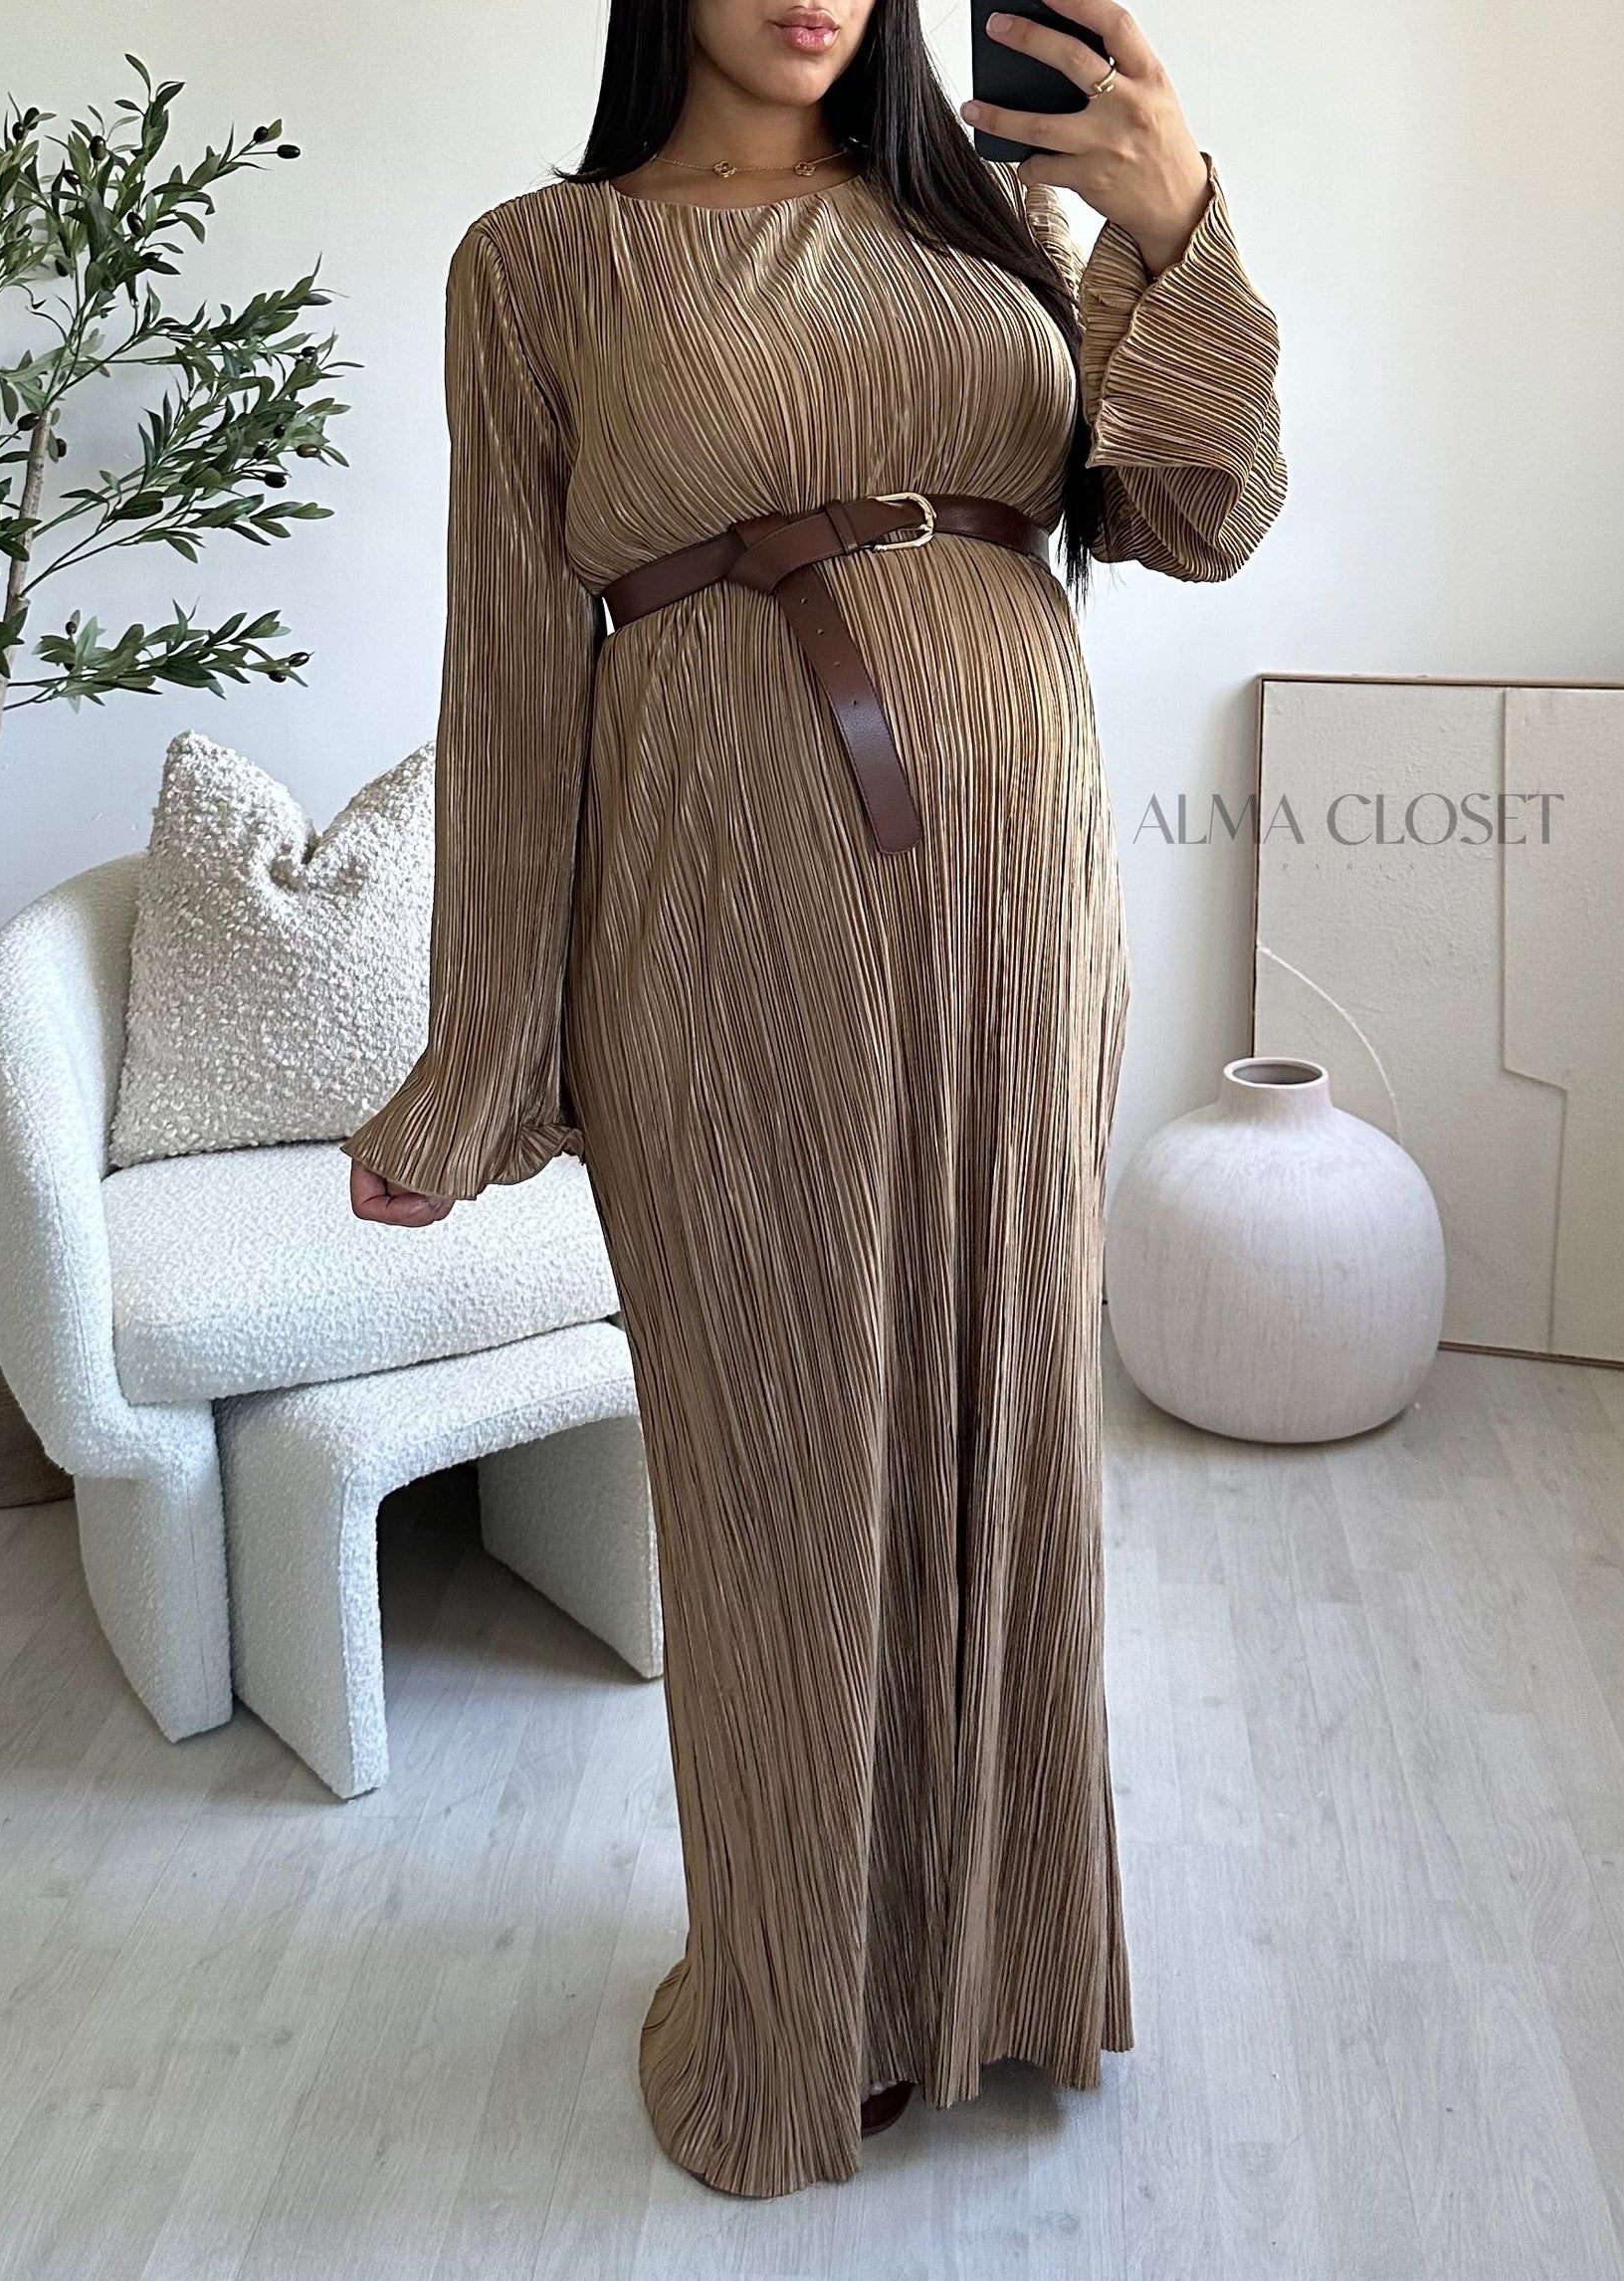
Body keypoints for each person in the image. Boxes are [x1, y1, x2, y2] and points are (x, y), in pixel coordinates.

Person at [344, 0, 1287, 2201]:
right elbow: (512, 672)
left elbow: (1190, 517)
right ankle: (807, 2005)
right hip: (720, 909)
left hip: (1022, 910)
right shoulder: (543, 264)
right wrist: (476, 1060)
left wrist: (1176, 230)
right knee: (772, 1461)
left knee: (1005, 1426)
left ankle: (1005, 1965)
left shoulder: (1001, 225)